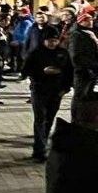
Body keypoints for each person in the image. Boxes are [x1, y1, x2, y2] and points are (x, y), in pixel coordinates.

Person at [27, 29, 75, 162]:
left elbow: (70, 72)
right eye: (50, 41)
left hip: (56, 92)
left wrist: (65, 89)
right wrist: (42, 72)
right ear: (44, 40)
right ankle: (39, 150)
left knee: (49, 119)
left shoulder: (63, 53)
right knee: (40, 120)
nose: (53, 43)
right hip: (39, 91)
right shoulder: (36, 53)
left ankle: (43, 143)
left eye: (55, 40)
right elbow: (26, 70)